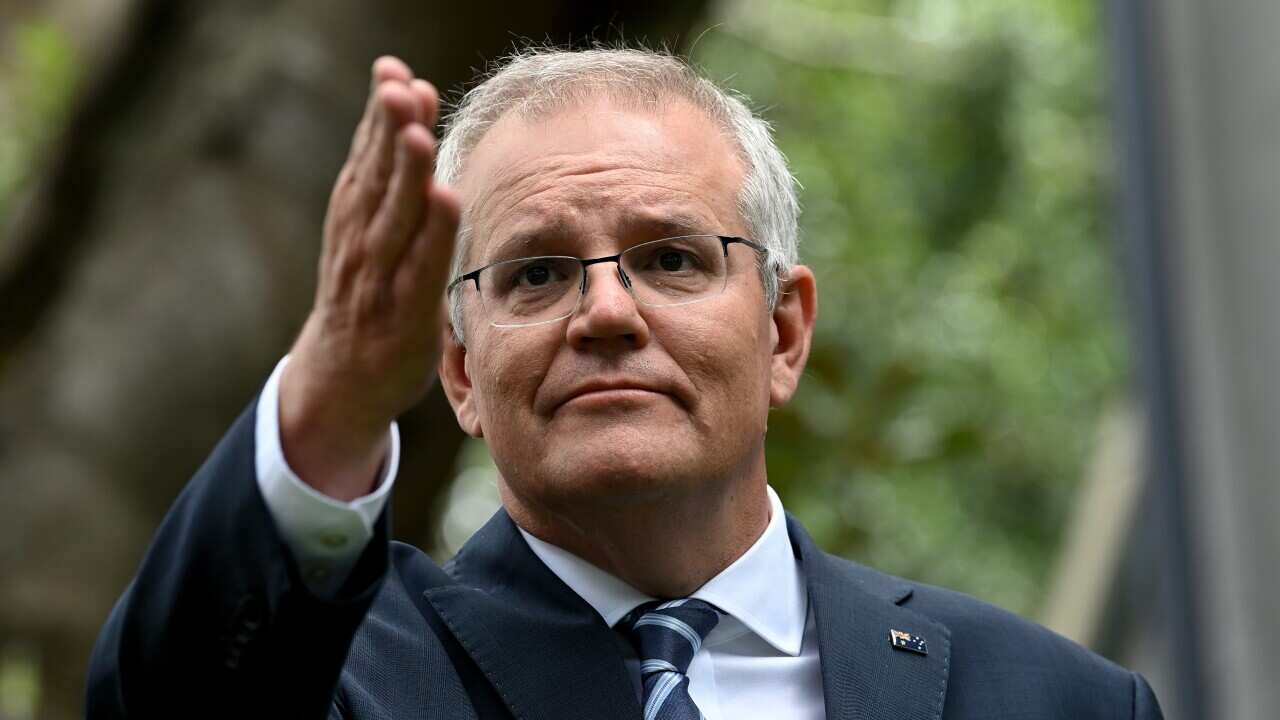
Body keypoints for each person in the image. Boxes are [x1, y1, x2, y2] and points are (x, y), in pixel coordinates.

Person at [86, 48, 1163, 719]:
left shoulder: (1052, 700)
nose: (606, 313)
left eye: (670, 259)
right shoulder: (340, 675)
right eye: (537, 272)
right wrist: (330, 400)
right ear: (459, 372)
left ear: (783, 334)